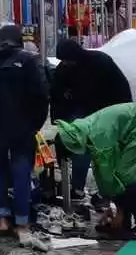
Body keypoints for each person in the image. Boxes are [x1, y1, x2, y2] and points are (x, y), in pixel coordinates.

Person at [0, 24, 49, 244]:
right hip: (22, 127)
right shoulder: (28, 61)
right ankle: (22, 222)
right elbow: (41, 95)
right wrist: (36, 124)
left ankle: (3, 218)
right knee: (22, 172)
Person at [50, 37, 132, 198]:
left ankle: (85, 188)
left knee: (91, 149)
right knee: (72, 145)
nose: (65, 63)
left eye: (67, 60)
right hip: (82, 113)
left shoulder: (100, 63)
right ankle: (74, 186)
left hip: (106, 112)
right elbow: (56, 95)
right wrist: (58, 120)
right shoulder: (64, 69)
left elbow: (120, 90)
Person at [56, 103, 136, 233]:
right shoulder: (83, 130)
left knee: (126, 175)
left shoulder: (98, 135)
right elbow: (101, 170)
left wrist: (116, 207)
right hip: (129, 129)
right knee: (124, 175)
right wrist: (111, 204)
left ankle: (124, 219)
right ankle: (124, 219)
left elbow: (109, 174)